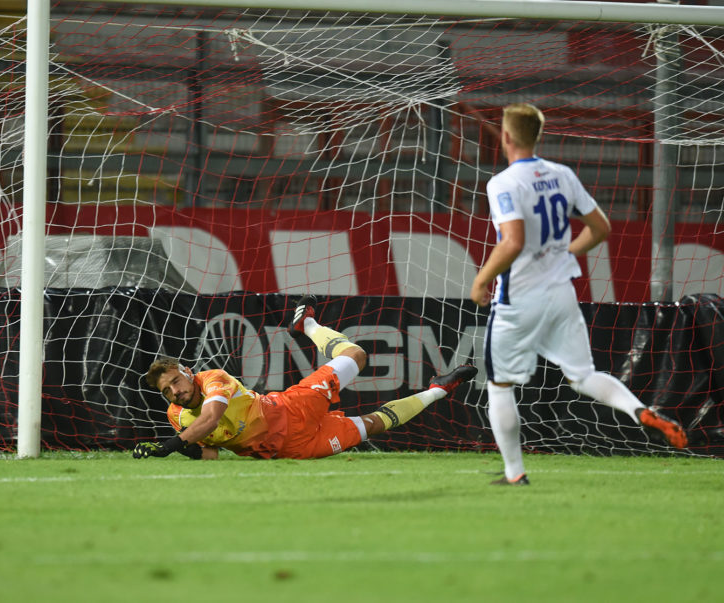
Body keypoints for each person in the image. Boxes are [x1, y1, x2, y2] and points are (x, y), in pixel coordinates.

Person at [470, 103, 688, 486]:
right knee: (583, 375)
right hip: (561, 293)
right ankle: (639, 410)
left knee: (499, 384)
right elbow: (600, 228)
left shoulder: (502, 182)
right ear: (538, 136)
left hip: (519, 298)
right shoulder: (562, 175)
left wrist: (480, 279)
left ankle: (514, 473)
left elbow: (513, 241)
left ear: (505, 136)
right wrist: (563, 253)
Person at [133, 295, 477, 460]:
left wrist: (170, 446)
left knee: (356, 355)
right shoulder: (177, 416)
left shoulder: (212, 379)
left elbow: (211, 419)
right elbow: (210, 453)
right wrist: (185, 451)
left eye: (175, 381)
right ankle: (438, 390)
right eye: (166, 391)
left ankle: (307, 325)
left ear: (188, 373)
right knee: (372, 425)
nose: (174, 392)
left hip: (292, 407)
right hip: (295, 448)